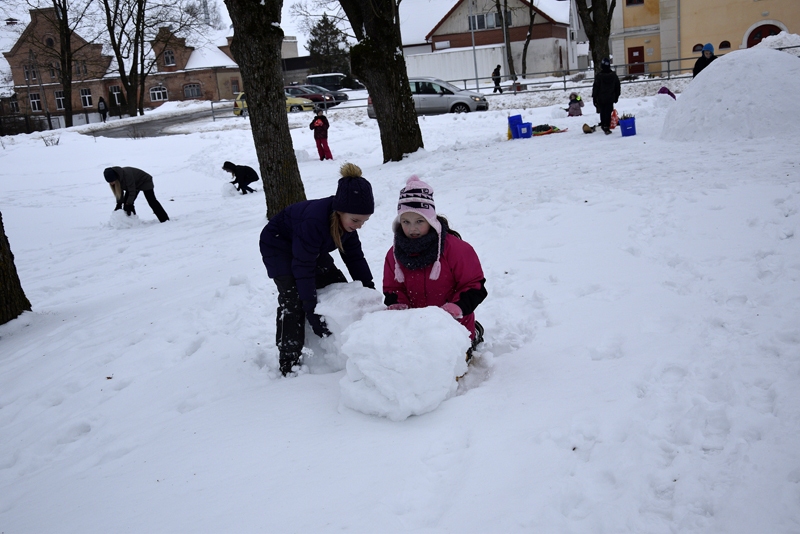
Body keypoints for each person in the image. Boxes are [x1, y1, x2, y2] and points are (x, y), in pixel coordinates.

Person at [259, 163, 375, 376]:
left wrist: (370, 290)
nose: (359, 225)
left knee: (336, 286)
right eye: (356, 220)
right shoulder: (315, 222)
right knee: (292, 298)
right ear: (339, 211)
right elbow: (303, 268)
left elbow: (355, 258)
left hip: (306, 245)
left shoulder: (346, 224)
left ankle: (339, 342)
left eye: (364, 221)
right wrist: (311, 310)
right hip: (278, 244)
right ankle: (289, 360)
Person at [383, 176, 487, 360]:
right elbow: (393, 287)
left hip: (455, 327)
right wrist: (398, 304)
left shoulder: (456, 249)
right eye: (406, 222)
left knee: (447, 365)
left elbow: (474, 285)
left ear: (431, 220)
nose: (412, 228)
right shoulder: (394, 254)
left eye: (419, 221)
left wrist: (456, 308)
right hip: (416, 331)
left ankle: (473, 336)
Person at [104, 167, 169, 222]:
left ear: (116, 178)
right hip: (134, 184)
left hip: (144, 181)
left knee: (151, 201)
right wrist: (119, 204)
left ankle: (164, 219)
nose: (112, 184)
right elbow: (119, 193)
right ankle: (132, 221)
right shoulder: (117, 180)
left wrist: (128, 204)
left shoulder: (126, 175)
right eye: (109, 182)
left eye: (112, 181)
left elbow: (132, 191)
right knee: (127, 203)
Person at [591, 57, 621, 135]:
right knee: (608, 110)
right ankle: (606, 125)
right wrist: (616, 96)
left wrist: (594, 98)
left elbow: (596, 88)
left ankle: (604, 124)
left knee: (603, 111)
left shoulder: (599, 76)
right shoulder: (613, 75)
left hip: (601, 98)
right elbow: (617, 86)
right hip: (610, 97)